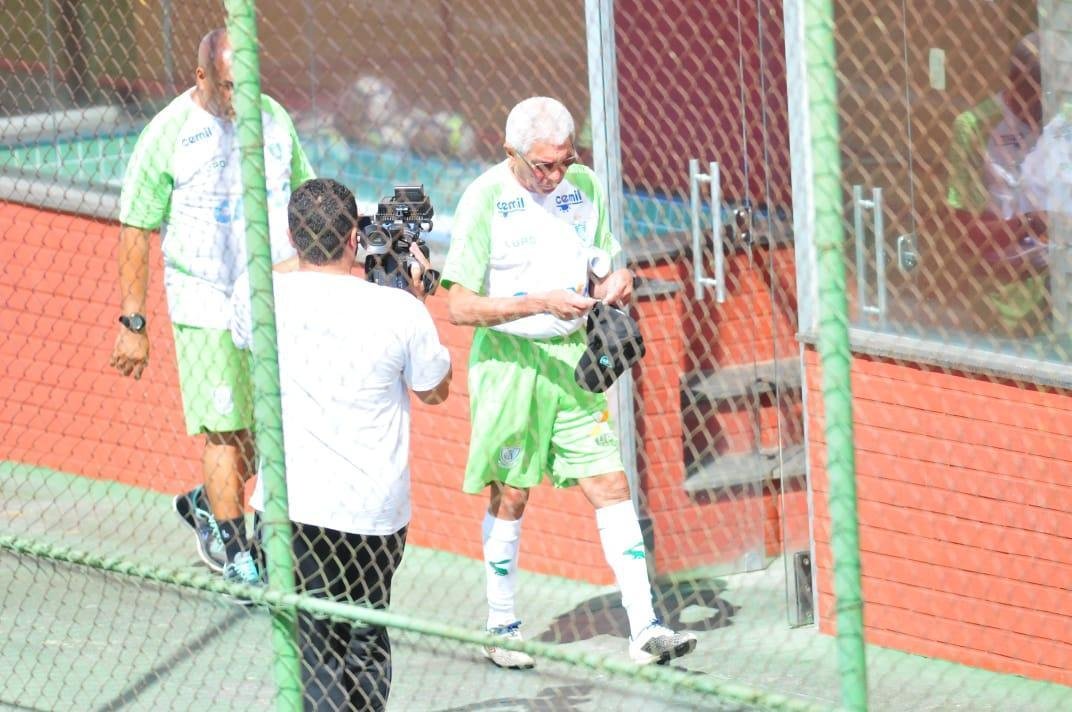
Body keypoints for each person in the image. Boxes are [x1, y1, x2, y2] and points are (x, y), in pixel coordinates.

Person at [440, 96, 698, 668]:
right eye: (542, 166)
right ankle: (501, 626)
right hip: (509, 364)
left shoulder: (583, 185)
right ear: (510, 153)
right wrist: (537, 303)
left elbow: (600, 260)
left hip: (574, 362)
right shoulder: (485, 198)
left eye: (563, 160)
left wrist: (616, 280)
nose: (554, 175)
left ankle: (645, 626)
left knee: (610, 482)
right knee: (511, 492)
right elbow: (457, 305)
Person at [231, 178, 451, 710]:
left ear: (288, 235)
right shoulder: (398, 311)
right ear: (356, 236)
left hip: (289, 509)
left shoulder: (258, 296)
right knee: (365, 642)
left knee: (312, 650)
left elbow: (267, 288)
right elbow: (436, 390)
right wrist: (415, 298)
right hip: (372, 519)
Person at [108, 28, 315, 584]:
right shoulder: (170, 133)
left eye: (246, 87)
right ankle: (237, 553)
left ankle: (207, 502)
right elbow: (136, 225)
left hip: (273, 299)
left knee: (262, 430)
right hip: (207, 303)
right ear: (201, 78)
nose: (238, 100)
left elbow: (305, 193)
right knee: (224, 431)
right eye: (227, 88)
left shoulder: (272, 118)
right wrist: (134, 321)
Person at [943, 32, 1049, 334]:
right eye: (1037, 96)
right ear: (1017, 84)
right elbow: (967, 232)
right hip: (1003, 300)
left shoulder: (1061, 119)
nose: (1042, 109)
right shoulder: (976, 126)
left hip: (1058, 287)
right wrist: (1032, 222)